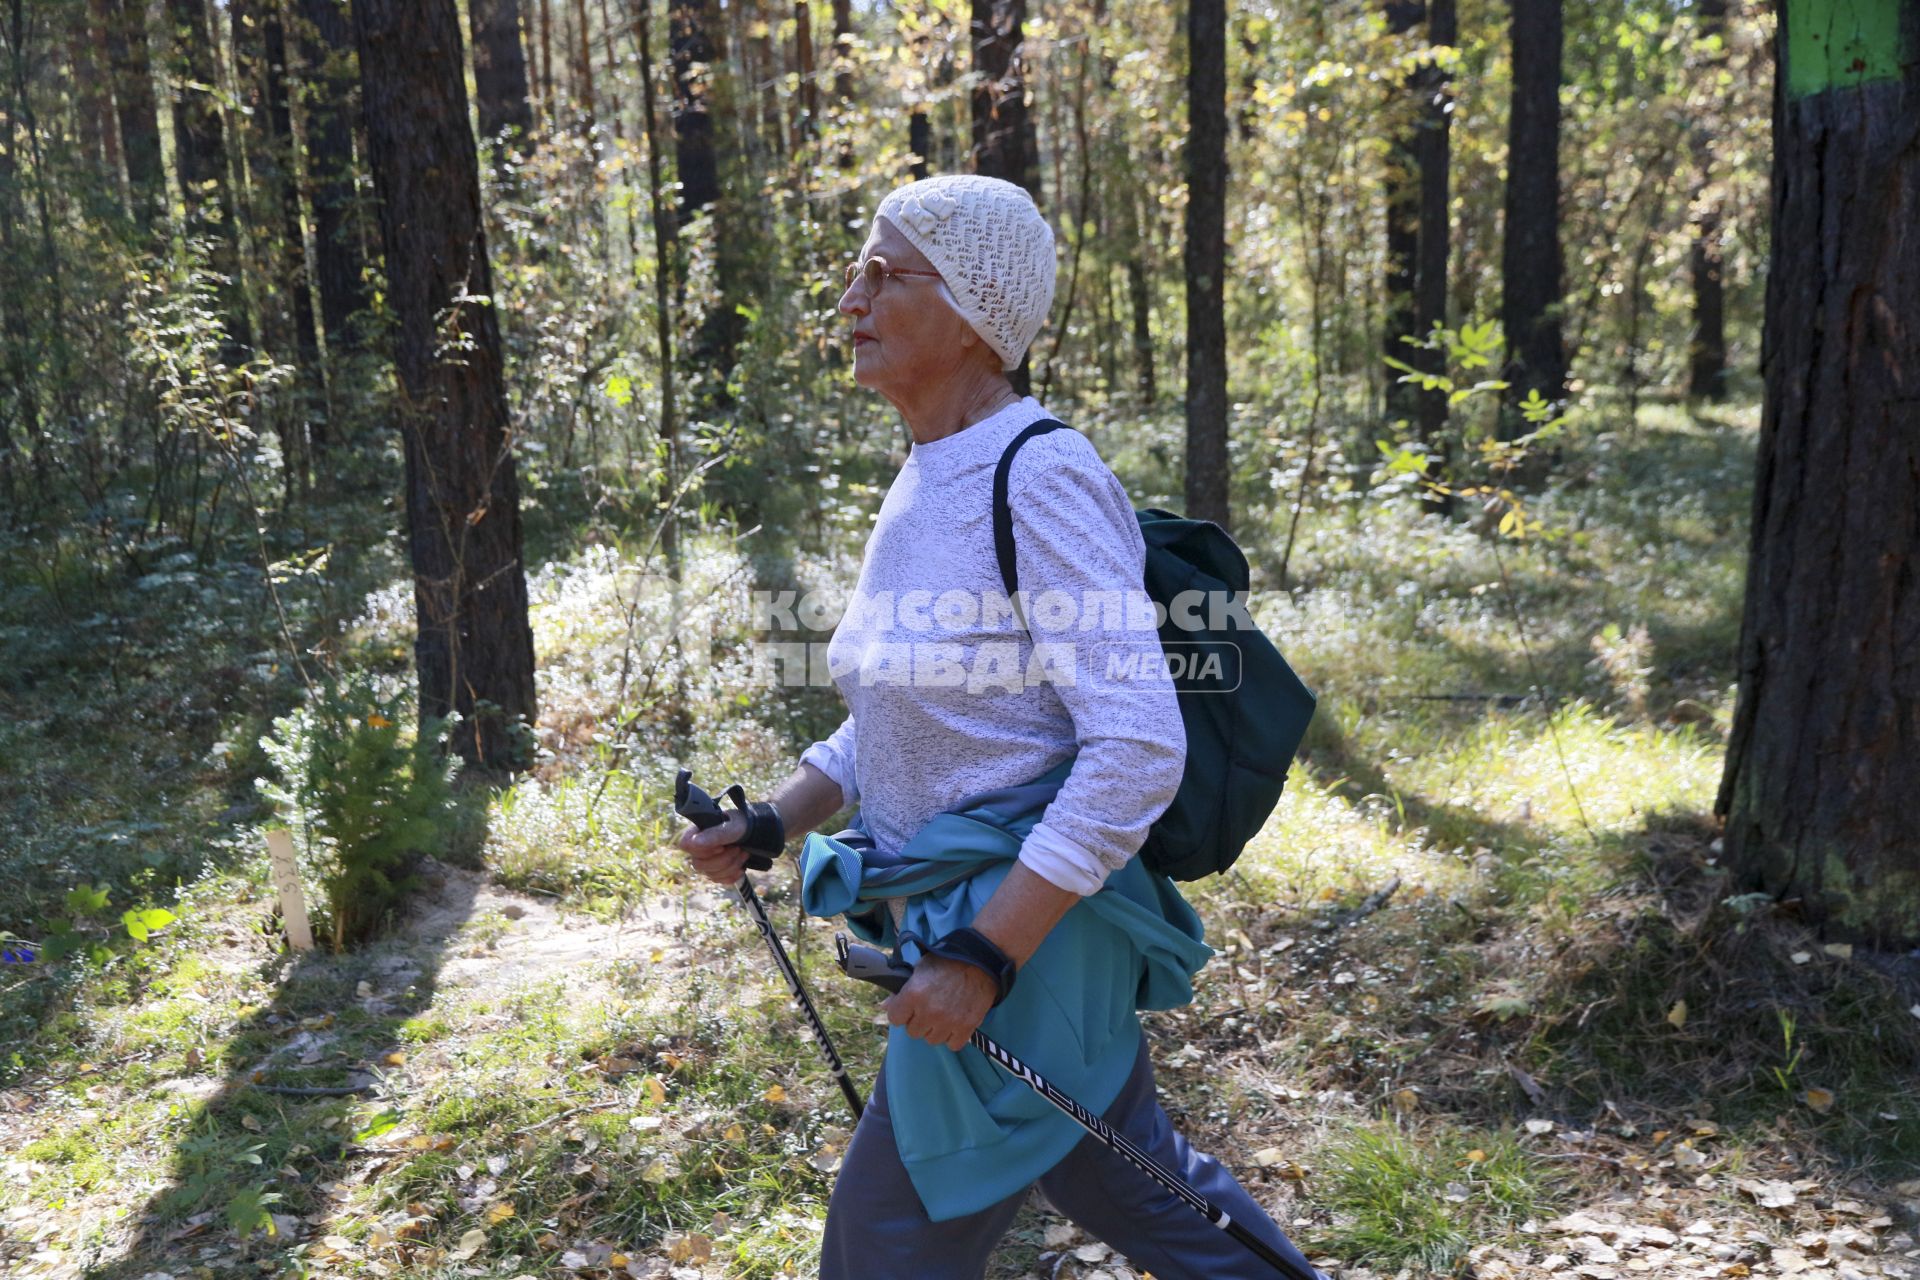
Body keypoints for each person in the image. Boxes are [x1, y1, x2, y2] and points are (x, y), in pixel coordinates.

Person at [676, 174, 1323, 1280]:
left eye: (888, 274)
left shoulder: (1042, 476)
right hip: (973, 929)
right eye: (855, 270)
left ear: (979, 312)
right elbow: (891, 718)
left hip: (1021, 937)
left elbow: (1136, 746)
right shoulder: (927, 474)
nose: (852, 298)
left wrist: (984, 955)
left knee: (884, 1242)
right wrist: (774, 824)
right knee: (1140, 1181)